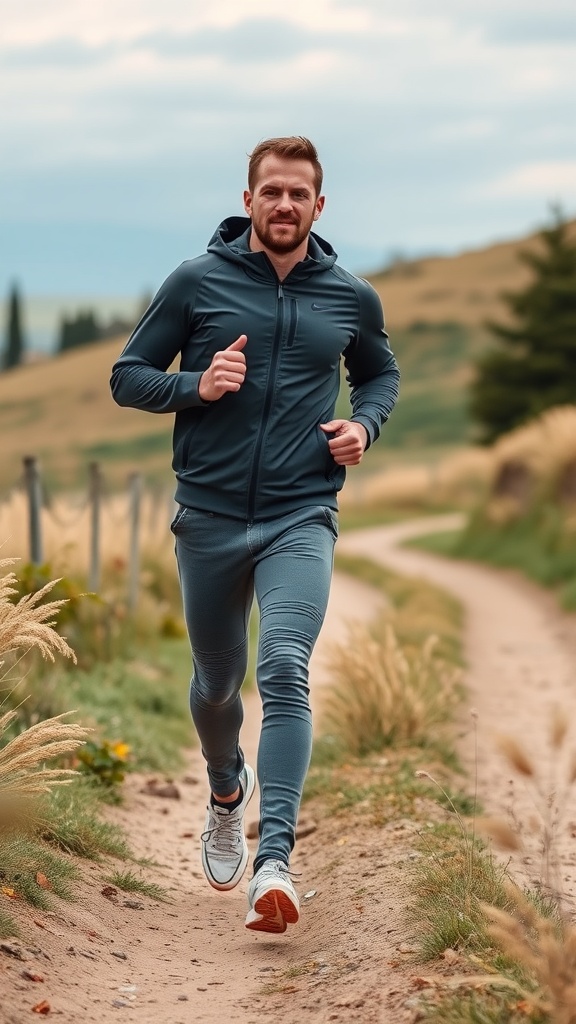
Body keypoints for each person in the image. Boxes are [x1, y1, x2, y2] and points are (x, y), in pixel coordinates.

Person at [110, 136, 399, 934]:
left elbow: (379, 373)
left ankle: (275, 861)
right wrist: (195, 386)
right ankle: (224, 788)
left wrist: (364, 428)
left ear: (318, 205)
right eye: (270, 191)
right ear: (248, 201)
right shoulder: (197, 281)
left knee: (284, 668)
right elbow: (127, 376)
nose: (283, 205)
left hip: (300, 513)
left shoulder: (350, 297)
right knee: (215, 685)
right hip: (206, 516)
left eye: (297, 194)